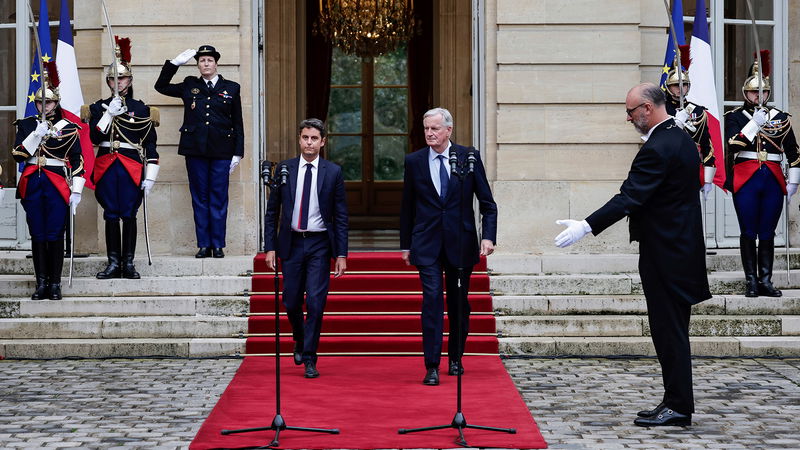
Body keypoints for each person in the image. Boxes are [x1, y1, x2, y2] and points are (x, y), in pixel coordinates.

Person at [555, 83, 711, 427]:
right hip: (677, 248)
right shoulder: (680, 138)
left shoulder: (658, 147)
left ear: (648, 108)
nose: (628, 118)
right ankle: (674, 400)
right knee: (671, 330)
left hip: (666, 253)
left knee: (669, 331)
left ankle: (679, 406)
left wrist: (585, 226)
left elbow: (629, 197)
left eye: (630, 111)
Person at [399, 107, 498, 386]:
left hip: (460, 242)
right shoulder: (414, 161)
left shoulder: (468, 157)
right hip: (426, 243)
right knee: (431, 301)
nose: (430, 134)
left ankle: (455, 357)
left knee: (458, 304)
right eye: (426, 129)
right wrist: (406, 244)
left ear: (448, 131)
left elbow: (488, 204)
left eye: (435, 129)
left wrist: (488, 237)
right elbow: (408, 207)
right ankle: (431, 365)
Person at [263, 118, 348, 378]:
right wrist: (270, 247)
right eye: (305, 138)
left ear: (323, 142)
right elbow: (272, 211)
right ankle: (299, 339)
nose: (309, 143)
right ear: (299, 139)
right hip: (291, 242)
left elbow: (341, 215)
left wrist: (342, 253)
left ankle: (310, 357)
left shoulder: (333, 172)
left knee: (315, 301)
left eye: (314, 138)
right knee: (290, 300)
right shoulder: (285, 169)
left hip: (320, 243)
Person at [154, 44, 243, 258]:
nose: (206, 63)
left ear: (216, 63)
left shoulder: (231, 87)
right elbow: (161, 86)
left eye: (209, 60)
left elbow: (238, 122)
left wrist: (238, 153)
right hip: (195, 150)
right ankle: (204, 244)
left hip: (222, 151)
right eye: (202, 60)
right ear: (197, 65)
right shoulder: (189, 85)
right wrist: (174, 64)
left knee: (219, 198)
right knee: (200, 198)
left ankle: (218, 244)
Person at [725, 50, 799, 298]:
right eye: (754, 92)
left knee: (767, 231)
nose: (759, 96)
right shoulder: (735, 117)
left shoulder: (780, 118)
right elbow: (733, 145)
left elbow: (794, 153)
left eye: (763, 92)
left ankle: (765, 280)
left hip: (773, 178)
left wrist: (794, 182)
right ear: (746, 94)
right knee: (748, 230)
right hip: (746, 178)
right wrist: (754, 124)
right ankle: (751, 281)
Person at [11, 63, 85, 300]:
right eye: (41, 102)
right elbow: (18, 155)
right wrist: (35, 135)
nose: (45, 106)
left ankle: (55, 283)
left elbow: (78, 160)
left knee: (55, 234)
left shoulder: (69, 129)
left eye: (49, 102)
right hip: (33, 182)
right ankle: (40, 283)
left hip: (57, 185)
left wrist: (77, 191)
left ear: (56, 103)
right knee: (38, 234)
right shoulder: (26, 125)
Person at [86, 37, 158, 280]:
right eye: (113, 79)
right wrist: (108, 113)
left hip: (131, 166)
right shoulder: (98, 107)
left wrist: (150, 177)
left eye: (122, 78)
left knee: (128, 214)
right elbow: (95, 138)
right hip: (106, 165)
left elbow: (150, 145)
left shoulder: (141, 108)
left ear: (130, 80)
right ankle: (113, 263)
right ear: (108, 81)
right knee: (110, 214)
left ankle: (128, 263)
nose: (118, 82)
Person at [663, 49, 716, 198]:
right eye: (676, 85)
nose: (680, 88)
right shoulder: (661, 109)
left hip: (691, 168)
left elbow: (707, 145)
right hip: (667, 168)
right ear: (668, 87)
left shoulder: (698, 111)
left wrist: (708, 179)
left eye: (684, 85)